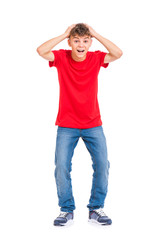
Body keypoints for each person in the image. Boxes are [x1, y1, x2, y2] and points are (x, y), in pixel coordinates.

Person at [37, 23, 123, 226]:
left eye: (85, 41)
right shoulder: (61, 57)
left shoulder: (96, 58)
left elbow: (118, 53)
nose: (81, 45)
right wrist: (65, 33)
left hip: (93, 123)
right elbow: (41, 51)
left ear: (90, 42)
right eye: (76, 40)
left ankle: (96, 208)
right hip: (67, 125)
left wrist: (96, 34)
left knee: (103, 165)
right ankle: (66, 210)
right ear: (70, 42)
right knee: (62, 167)